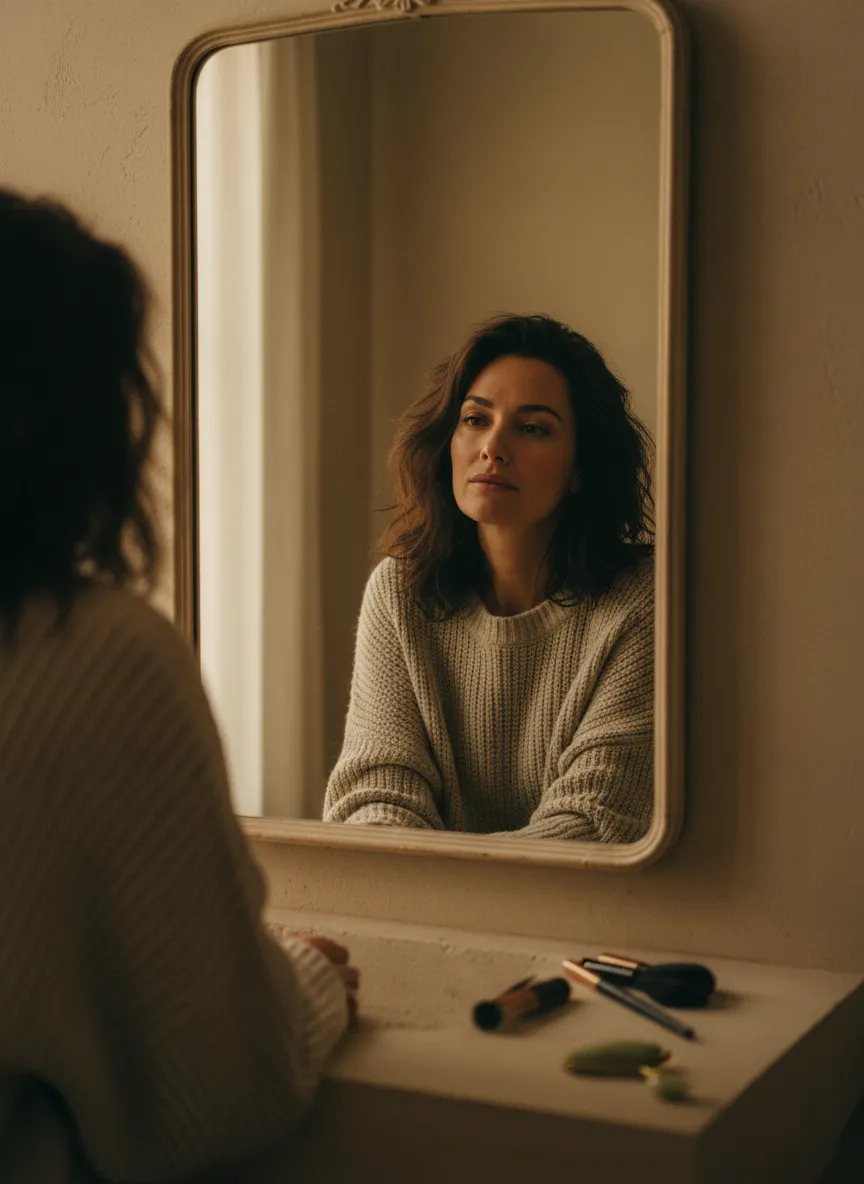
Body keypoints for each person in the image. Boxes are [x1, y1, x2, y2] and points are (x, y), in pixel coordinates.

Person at [0, 187, 358, 1183]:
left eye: (534, 426)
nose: (494, 446)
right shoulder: (91, 659)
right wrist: (308, 979)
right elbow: (216, 1093)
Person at [323, 313, 655, 842]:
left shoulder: (642, 601)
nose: (493, 448)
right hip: (417, 894)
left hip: (575, 902)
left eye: (532, 428)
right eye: (476, 419)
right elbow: (376, 795)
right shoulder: (400, 593)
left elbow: (596, 818)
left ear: (579, 467)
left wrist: (441, 872)